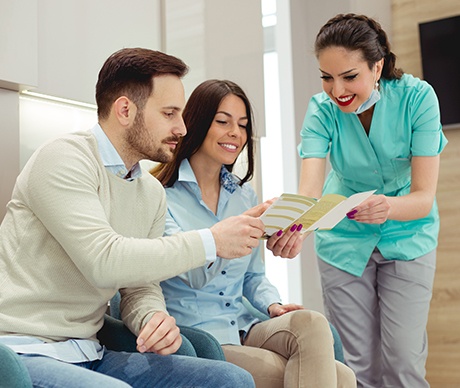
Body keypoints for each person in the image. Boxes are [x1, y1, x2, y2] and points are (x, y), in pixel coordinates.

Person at [0, 47, 262, 387]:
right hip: (23, 351)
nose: (182, 128)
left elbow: (139, 286)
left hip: (91, 352)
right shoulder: (63, 159)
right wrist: (211, 241)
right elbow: (104, 260)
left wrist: (152, 317)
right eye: (169, 113)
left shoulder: (149, 192)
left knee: (230, 380)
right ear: (125, 109)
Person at [152, 79, 357, 388]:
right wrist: (230, 234)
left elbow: (253, 277)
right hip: (200, 336)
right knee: (340, 378)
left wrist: (273, 305)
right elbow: (192, 274)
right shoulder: (160, 196)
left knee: (313, 323)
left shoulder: (243, 196)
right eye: (223, 121)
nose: (236, 133)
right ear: (196, 123)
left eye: (243, 125)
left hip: (245, 326)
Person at [297, 14, 448, 388]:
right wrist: (293, 223)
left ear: (377, 65)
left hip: (408, 234)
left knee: (403, 363)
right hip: (343, 240)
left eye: (349, 77)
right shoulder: (321, 109)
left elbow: (423, 198)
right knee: (354, 367)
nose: (337, 90)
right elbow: (309, 192)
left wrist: (387, 208)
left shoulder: (418, 99)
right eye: (327, 77)